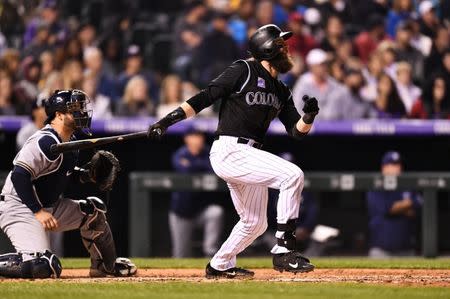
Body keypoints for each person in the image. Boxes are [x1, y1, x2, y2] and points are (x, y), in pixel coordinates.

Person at [148, 24, 317, 279]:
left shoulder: (281, 90)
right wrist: (166, 121)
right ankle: (284, 248)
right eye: (281, 44)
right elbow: (205, 97)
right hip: (229, 150)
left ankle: (219, 264)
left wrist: (309, 117)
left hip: (248, 155)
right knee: (292, 175)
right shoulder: (244, 70)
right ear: (267, 48)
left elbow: (296, 131)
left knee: (255, 223)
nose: (286, 49)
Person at [0, 89, 136, 278]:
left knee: (93, 211)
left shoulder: (70, 141)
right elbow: (19, 176)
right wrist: (37, 211)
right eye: (75, 110)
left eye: (81, 109)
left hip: (47, 206)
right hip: (20, 206)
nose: (81, 113)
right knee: (43, 266)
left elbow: (61, 175)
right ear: (58, 115)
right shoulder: (43, 141)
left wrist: (86, 175)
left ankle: (105, 266)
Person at [169, 128, 224, 257]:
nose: (197, 139)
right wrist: (201, 166)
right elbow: (183, 170)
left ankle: (210, 252)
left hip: (201, 210)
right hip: (181, 212)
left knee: (216, 212)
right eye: (193, 136)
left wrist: (193, 164)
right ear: (186, 139)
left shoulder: (208, 152)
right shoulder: (180, 154)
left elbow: (214, 169)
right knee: (181, 255)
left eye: (199, 136)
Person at [367, 151, 422, 258]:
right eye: (392, 164)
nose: (397, 167)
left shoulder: (407, 185)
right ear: (384, 167)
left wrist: (399, 207)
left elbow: (417, 207)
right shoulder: (376, 186)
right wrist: (408, 204)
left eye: (398, 164)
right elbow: (388, 209)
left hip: (407, 250)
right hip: (381, 251)